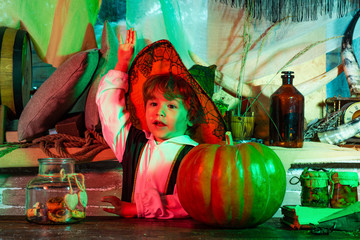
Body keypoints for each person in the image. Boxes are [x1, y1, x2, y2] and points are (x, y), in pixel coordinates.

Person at [96, 28, 225, 219]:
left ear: (190, 116)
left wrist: (136, 208)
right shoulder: (132, 142)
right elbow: (109, 108)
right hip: (130, 233)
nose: (160, 111)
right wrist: (122, 63)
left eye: (171, 106)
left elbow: (192, 201)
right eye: (153, 103)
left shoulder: (196, 155)